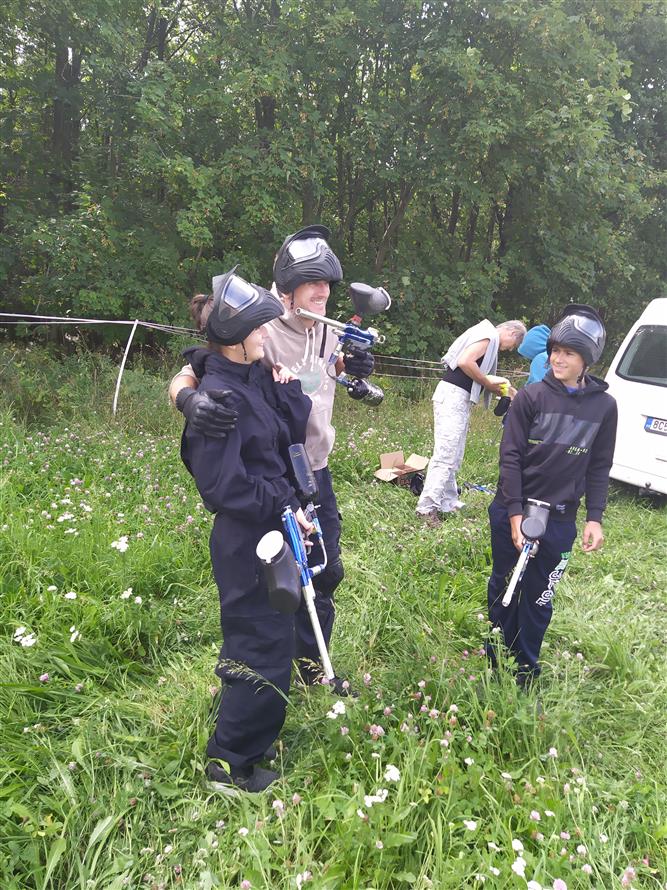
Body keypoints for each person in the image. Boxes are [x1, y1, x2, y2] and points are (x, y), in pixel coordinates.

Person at [170, 226, 374, 685]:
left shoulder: (326, 327)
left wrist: (353, 365)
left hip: (315, 468)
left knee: (326, 570)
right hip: (274, 478)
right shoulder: (256, 321)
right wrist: (188, 400)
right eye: (312, 283)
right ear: (287, 288)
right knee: (280, 582)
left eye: (328, 284)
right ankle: (265, 672)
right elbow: (196, 369)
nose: (322, 292)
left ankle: (311, 667)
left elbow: (326, 369)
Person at [180, 268, 315, 793]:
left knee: (274, 636)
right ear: (236, 338)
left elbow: (284, 439)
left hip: (273, 528)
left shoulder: (253, 376)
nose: (266, 334)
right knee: (256, 641)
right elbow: (224, 488)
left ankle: (252, 738)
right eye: (259, 328)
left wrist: (285, 387)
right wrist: (281, 503)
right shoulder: (220, 398)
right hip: (246, 540)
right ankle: (230, 762)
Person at [486, 304, 617, 687]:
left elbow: (599, 465)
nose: (558, 359)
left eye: (568, 353)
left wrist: (594, 517)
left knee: (539, 595)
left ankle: (526, 669)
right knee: (505, 584)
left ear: (586, 360)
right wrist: (514, 515)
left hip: (559, 520)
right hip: (512, 510)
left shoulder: (604, 408)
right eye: (555, 351)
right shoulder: (530, 397)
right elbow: (510, 458)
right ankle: (495, 660)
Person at [416, 318, 527, 527]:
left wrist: (508, 390)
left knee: (454, 454)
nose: (509, 349)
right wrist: (486, 383)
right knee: (445, 455)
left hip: (459, 397)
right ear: (512, 333)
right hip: (453, 396)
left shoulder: (486, 334)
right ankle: (426, 508)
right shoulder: (489, 336)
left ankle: (448, 502)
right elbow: (466, 362)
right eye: (514, 345)